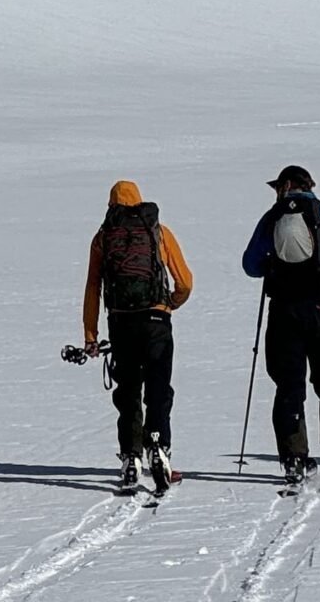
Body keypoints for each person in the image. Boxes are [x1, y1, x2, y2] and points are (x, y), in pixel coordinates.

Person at [242, 163, 320, 483]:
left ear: (287, 185)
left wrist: (271, 265)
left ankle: (294, 457)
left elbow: (250, 264)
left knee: (289, 384)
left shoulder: (272, 217)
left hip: (284, 311)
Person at [79, 180, 194, 494]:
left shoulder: (103, 238)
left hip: (121, 322)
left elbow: (92, 288)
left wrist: (91, 334)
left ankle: (131, 457)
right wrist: (170, 302)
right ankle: (158, 447)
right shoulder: (158, 231)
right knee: (158, 388)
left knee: (128, 390)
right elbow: (184, 280)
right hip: (157, 319)